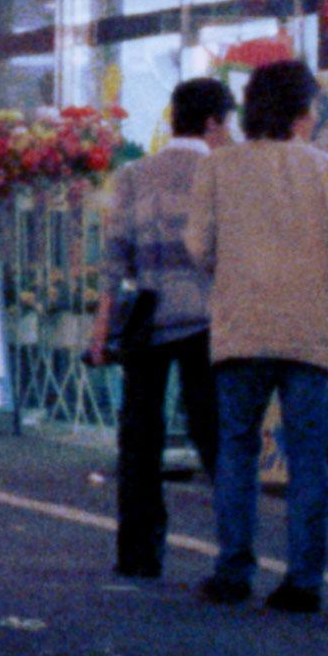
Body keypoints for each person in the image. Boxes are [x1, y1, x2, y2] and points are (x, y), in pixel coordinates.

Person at [186, 60, 328, 615]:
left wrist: (229, 283)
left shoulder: (219, 169)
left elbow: (199, 247)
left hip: (240, 329)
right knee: (307, 461)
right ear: (307, 110)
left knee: (236, 453)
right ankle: (303, 580)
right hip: (311, 334)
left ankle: (233, 570)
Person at [92, 78, 231, 578]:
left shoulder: (133, 174)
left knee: (140, 438)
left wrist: (101, 327)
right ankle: (233, 552)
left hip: (146, 318)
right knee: (214, 436)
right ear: (213, 121)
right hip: (207, 320)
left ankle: (138, 552)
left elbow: (114, 256)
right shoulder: (221, 173)